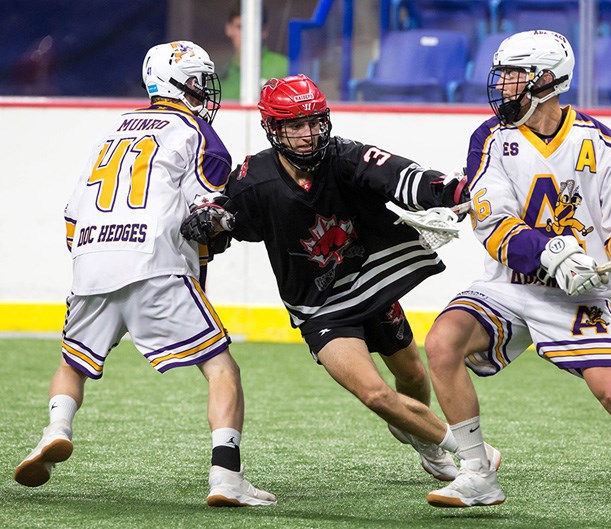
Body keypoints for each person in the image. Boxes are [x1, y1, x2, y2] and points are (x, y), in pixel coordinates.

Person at [423, 30, 611, 522]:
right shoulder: (490, 137)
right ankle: (477, 474)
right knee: (442, 342)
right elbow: (492, 224)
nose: (504, 86)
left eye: (515, 76)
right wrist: (551, 251)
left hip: (581, 293)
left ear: (548, 81)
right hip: (511, 284)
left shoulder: (600, 142)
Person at [180, 74, 499, 483]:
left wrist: (455, 193)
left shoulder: (345, 156)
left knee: (414, 375)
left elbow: (405, 177)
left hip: (372, 285)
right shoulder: (253, 177)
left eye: (314, 122)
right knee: (375, 394)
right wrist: (209, 220)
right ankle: (466, 451)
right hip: (320, 309)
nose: (309, 133)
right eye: (295, 125)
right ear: (273, 128)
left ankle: (423, 440)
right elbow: (223, 218)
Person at [13, 40, 276, 508]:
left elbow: (72, 215)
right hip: (153, 260)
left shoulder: (113, 128)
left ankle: (54, 431)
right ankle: (227, 477)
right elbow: (207, 213)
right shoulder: (197, 133)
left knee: (73, 362)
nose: (204, 90)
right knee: (221, 368)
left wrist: (94, 260)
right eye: (198, 80)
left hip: (92, 257)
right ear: (178, 82)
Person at [220, 5, 288, 100]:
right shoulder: (219, 78)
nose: (247, 34)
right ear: (229, 29)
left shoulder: (285, 68)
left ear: (264, 30)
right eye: (240, 27)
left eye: (253, 27)